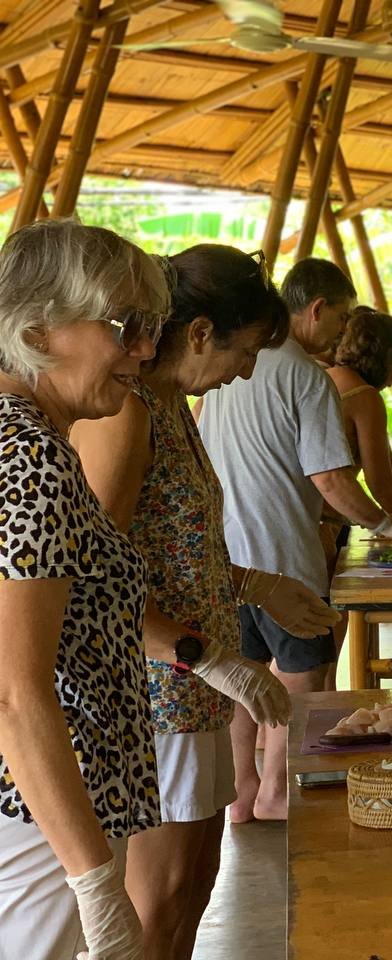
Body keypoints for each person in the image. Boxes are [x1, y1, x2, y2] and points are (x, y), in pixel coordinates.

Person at [69, 245, 335, 960]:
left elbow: (167, 549)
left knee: (195, 883)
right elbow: (93, 579)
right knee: (158, 905)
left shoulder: (169, 405)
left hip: (191, 696)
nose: (246, 371)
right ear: (198, 334)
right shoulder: (125, 413)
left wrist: (254, 584)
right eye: (244, 352)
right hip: (154, 697)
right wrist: (207, 656)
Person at [198, 258, 392, 821]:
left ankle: (241, 794)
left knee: (241, 672)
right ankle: (278, 791)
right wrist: (385, 524)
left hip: (226, 555)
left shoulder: (227, 368)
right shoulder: (306, 375)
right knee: (301, 675)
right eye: (342, 317)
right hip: (286, 556)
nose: (345, 331)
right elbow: (330, 478)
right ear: (317, 310)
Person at [0, 222, 169, 957]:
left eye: (152, 327)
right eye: (124, 327)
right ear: (37, 327)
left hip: (54, 815)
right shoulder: (27, 455)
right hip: (41, 824)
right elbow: (13, 691)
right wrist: (95, 882)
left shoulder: (35, 441)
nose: (145, 350)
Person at [320, 306, 392, 688]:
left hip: (281, 525)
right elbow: (381, 482)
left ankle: (266, 743)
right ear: (383, 355)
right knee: (323, 654)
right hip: (323, 527)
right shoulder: (363, 395)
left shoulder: (320, 378)